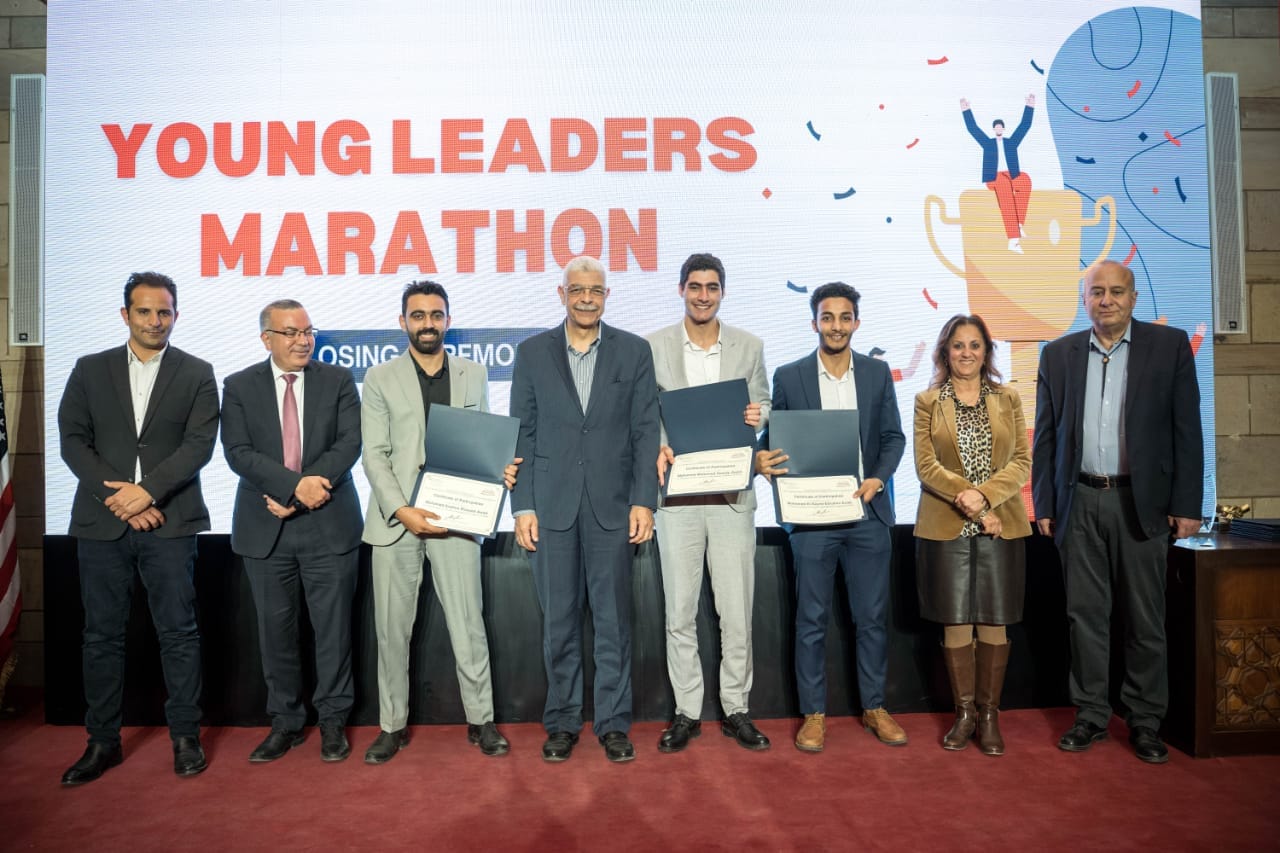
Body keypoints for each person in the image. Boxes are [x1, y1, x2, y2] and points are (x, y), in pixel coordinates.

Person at [1033, 260, 1203, 764]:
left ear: (1133, 298)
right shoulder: (1058, 354)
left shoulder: (1169, 346)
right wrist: (1045, 502)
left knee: (1144, 619)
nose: (1106, 300)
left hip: (1142, 503)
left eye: (1116, 291)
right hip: (1079, 500)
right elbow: (1046, 437)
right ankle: (1090, 714)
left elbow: (1187, 430)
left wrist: (1187, 504)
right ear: (1084, 299)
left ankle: (1145, 720)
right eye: (1096, 292)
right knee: (1084, 616)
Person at [57, 271, 219, 785]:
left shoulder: (198, 372)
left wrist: (146, 493)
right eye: (144, 311)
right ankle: (101, 742)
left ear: (176, 315)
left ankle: (185, 737)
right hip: (101, 524)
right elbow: (72, 440)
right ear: (125, 314)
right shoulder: (89, 369)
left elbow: (199, 446)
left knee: (179, 632)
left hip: (170, 522)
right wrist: (121, 500)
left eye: (164, 311)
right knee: (101, 636)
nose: (155, 320)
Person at [360, 281, 519, 763]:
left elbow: (484, 438)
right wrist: (401, 509)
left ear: (448, 320)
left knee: (469, 622)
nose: (427, 323)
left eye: (436, 315)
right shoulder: (379, 377)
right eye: (418, 315)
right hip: (396, 521)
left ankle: (482, 721)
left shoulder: (474, 372)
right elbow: (374, 454)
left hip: (457, 515)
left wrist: (500, 469)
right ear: (402, 321)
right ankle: (391, 726)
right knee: (392, 630)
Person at [510, 256, 660, 763]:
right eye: (577, 290)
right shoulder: (532, 353)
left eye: (595, 290)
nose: (587, 299)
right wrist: (522, 505)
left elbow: (645, 432)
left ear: (607, 295)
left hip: (613, 508)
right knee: (559, 623)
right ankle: (562, 721)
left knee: (614, 624)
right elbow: (522, 434)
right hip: (551, 507)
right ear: (562, 294)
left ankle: (614, 724)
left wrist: (644, 500)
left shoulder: (634, 351)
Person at [755, 282, 907, 752]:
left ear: (856, 322)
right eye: (827, 317)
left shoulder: (877, 374)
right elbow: (775, 437)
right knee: (811, 619)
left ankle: (875, 707)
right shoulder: (790, 375)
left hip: (867, 513)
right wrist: (760, 457)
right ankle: (814, 714)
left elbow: (893, 438)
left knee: (872, 618)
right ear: (814, 322)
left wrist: (877, 478)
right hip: (812, 517)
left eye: (844, 317)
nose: (836, 326)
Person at [221, 300, 363, 763]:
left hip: (329, 524)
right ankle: (285, 722)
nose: (303, 340)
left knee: (333, 632)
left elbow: (350, 442)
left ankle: (333, 721)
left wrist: (302, 494)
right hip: (266, 528)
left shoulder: (338, 380)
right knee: (276, 633)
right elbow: (238, 451)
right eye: (291, 333)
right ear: (267, 338)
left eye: (308, 331)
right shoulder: (238, 386)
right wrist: (291, 487)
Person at [648, 253, 771, 753]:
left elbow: (763, 404)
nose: (703, 295)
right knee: (679, 613)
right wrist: (657, 445)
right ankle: (686, 712)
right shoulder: (653, 347)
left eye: (712, 287)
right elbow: (646, 416)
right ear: (681, 289)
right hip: (676, 499)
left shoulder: (749, 346)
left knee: (735, 612)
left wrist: (758, 415)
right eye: (695, 286)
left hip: (731, 497)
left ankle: (737, 708)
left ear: (723, 292)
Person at [913, 314, 1031, 756]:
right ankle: (964, 715)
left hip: (1002, 523)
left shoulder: (1008, 397)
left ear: (986, 352)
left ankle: (989, 715)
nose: (966, 353)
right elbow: (926, 467)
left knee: (995, 619)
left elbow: (1021, 461)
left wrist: (985, 498)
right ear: (946, 351)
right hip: (947, 524)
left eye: (975, 345)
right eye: (958, 345)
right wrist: (975, 507)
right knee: (957, 619)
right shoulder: (927, 401)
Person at [961, 95, 1036, 252]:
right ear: (994, 129)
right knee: (1003, 184)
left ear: (1003, 129)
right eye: (997, 127)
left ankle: (1018, 224)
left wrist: (1029, 107)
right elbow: (973, 129)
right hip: (994, 177)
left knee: (1025, 180)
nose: (999, 129)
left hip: (1010, 174)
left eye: (1001, 127)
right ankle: (1013, 240)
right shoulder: (988, 143)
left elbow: (1024, 126)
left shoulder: (1011, 143)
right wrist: (966, 110)